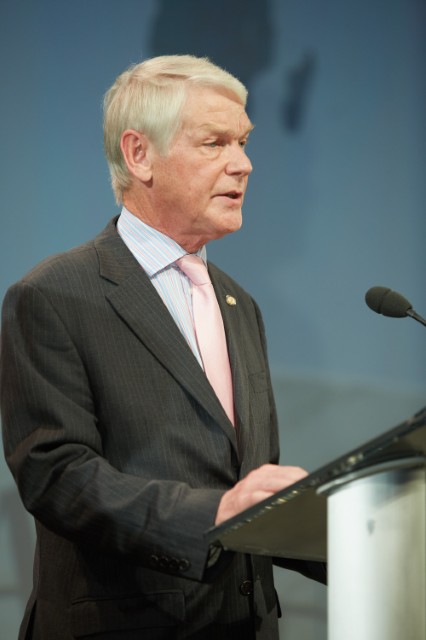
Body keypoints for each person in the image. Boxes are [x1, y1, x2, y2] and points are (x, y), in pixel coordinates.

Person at [1, 55, 325, 640]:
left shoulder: (239, 305)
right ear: (139, 155)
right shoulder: (53, 295)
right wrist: (214, 515)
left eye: (244, 142)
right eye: (215, 143)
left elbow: (247, 484)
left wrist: (359, 540)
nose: (243, 163)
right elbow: (57, 475)